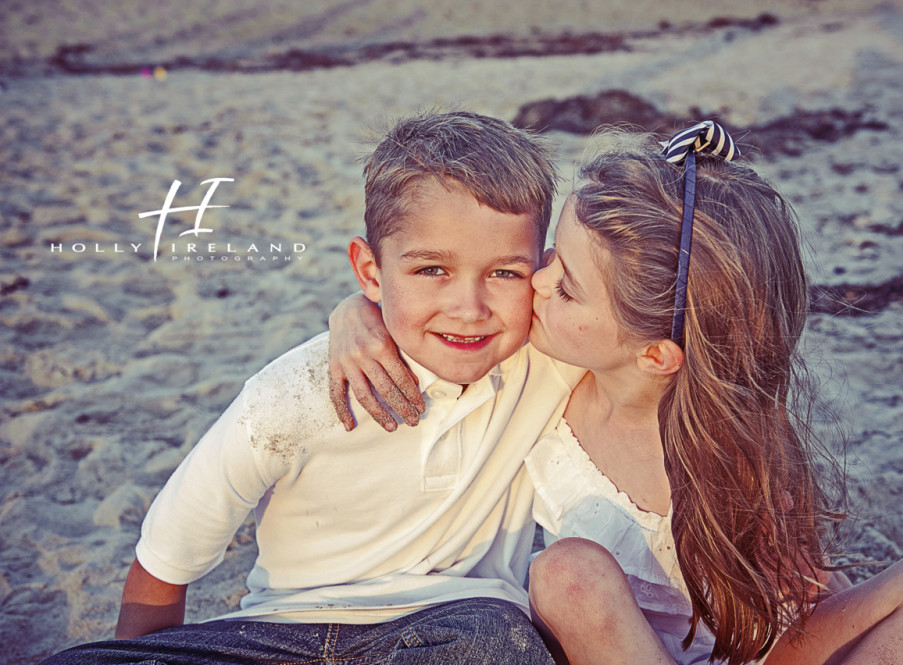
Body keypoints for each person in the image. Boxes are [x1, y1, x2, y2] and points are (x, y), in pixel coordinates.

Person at [326, 122, 903, 665]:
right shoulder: (537, 367)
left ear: (654, 354)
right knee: (568, 573)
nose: (533, 282)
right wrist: (353, 314)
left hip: (751, 651)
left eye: (564, 285)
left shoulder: (733, 440)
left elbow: (798, 604)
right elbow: (432, 314)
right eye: (548, 258)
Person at [41, 111, 580, 665]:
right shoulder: (293, 392)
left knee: (495, 639)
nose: (469, 309)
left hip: (451, 628)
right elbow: (165, 559)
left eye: (504, 274)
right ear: (370, 273)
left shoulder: (548, 361)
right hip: (275, 633)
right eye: (431, 271)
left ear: (544, 272)